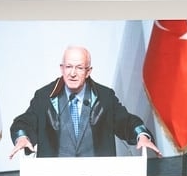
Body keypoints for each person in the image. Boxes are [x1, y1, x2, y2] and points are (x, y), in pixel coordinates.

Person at [9, 45, 159, 159]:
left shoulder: (104, 97)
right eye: (68, 67)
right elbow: (24, 123)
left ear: (88, 71)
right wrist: (22, 138)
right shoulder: (44, 96)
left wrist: (141, 135)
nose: (72, 73)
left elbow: (126, 121)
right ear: (62, 69)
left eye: (79, 68)